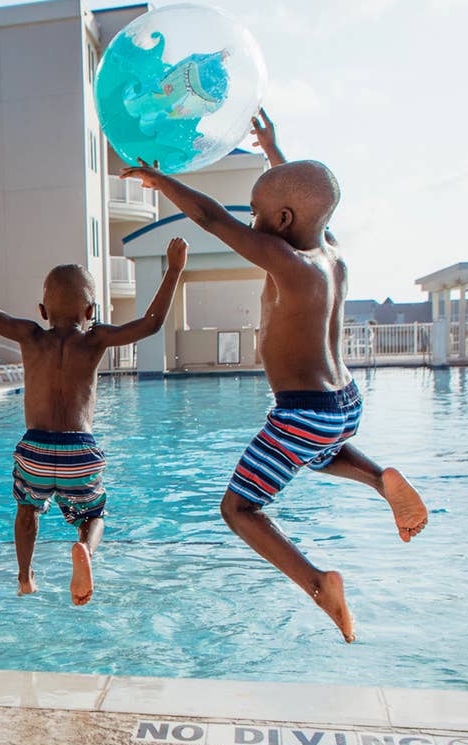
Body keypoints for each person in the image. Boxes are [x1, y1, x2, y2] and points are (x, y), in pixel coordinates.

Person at [120, 108, 428, 642]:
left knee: (239, 508)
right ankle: (380, 478)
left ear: (281, 222)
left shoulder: (286, 262)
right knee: (320, 449)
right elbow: (305, 202)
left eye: (258, 212)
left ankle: (317, 583)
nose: (253, 220)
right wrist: (273, 150)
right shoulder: (330, 255)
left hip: (302, 410)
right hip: (344, 402)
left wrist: (159, 179)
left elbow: (213, 220)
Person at [0, 237, 188, 605]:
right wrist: (173, 268)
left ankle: (25, 577)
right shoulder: (97, 338)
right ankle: (85, 552)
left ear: (42, 310)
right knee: (93, 515)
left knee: (27, 510)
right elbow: (152, 324)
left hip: (35, 448)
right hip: (79, 449)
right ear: (91, 310)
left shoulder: (31, 335)